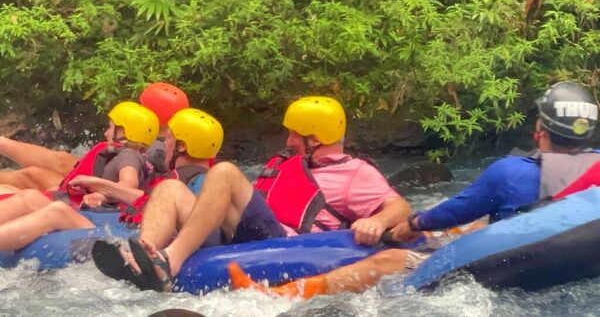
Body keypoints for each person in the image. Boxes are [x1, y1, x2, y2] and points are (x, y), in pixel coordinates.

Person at [228, 81, 600, 299]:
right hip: (559, 255)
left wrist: (415, 223)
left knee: (388, 261)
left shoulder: (509, 172)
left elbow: (453, 210)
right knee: (475, 226)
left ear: (539, 129)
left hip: (502, 261)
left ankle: (283, 295)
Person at [92, 96, 412, 292]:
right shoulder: (293, 163)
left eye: (294, 133)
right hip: (248, 236)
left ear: (315, 138)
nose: (288, 140)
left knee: (226, 172)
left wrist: (379, 221)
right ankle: (143, 258)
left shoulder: (354, 171)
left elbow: (399, 206)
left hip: (286, 245)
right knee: (170, 188)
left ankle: (171, 262)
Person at [0, 108, 221, 254]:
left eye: (170, 138)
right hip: (118, 225)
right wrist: (102, 191)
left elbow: (132, 186)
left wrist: (100, 186)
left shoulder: (196, 182)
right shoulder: (176, 176)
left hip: (127, 241)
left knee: (57, 211)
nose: (165, 144)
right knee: (30, 197)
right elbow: (144, 199)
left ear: (182, 146)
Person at [0, 101, 159, 240]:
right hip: (76, 205)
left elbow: (129, 183)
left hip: (82, 213)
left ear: (123, 132)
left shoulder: (129, 155)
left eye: (110, 127)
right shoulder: (127, 155)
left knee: (29, 198)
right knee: (8, 189)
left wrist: (101, 193)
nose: (106, 133)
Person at [0, 82, 188, 191]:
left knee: (35, 175)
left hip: (104, 196)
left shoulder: (156, 149)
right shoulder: (167, 142)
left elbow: (130, 181)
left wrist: (97, 187)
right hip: (104, 183)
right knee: (63, 159)